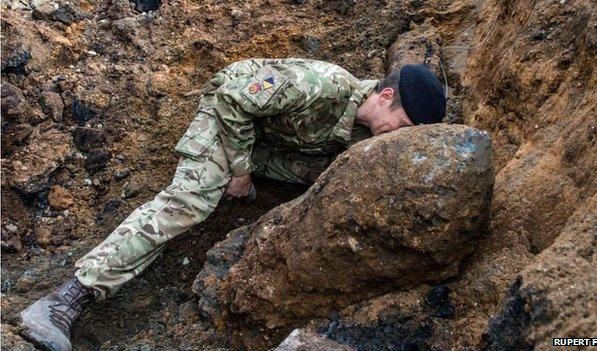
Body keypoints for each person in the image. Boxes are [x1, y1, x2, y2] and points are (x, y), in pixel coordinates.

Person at [19, 58, 446, 351]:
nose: (393, 138)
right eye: (401, 126)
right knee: (190, 203)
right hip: (227, 114)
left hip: (266, 138)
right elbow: (233, 100)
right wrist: (239, 170)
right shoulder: (322, 85)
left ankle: (241, 173)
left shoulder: (359, 135)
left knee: (324, 176)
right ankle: (65, 300)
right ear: (386, 96)